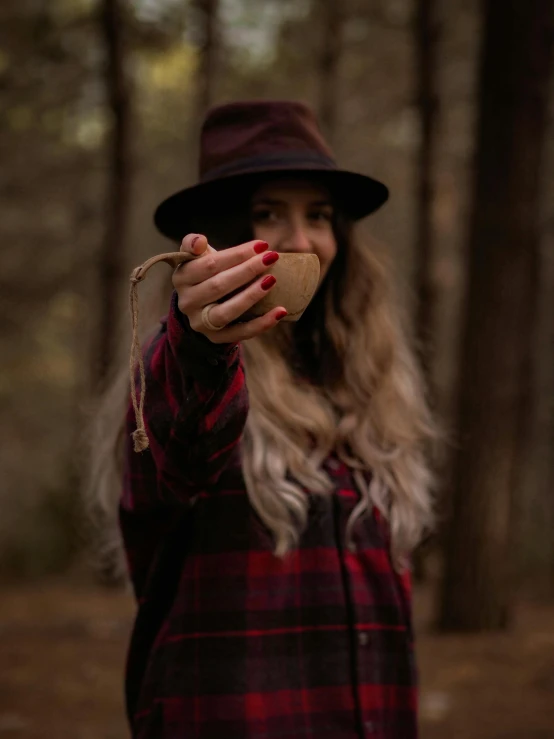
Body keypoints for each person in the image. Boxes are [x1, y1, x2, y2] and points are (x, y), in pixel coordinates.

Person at [91, 100, 436, 738]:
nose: (301, 240)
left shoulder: (372, 388)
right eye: (268, 213)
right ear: (221, 235)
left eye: (320, 216)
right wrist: (202, 345)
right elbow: (184, 445)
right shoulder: (174, 376)